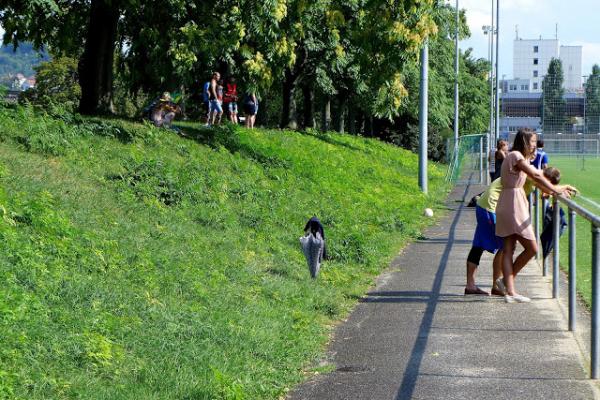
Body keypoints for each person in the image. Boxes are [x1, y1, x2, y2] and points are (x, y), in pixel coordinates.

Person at [495, 129, 574, 303]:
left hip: (510, 201)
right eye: (532, 141)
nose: (534, 145)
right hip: (512, 203)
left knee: (509, 248)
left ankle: (509, 289)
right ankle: (509, 288)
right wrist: (557, 189)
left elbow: (537, 180)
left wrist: (554, 191)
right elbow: (536, 175)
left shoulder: (519, 157)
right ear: (524, 141)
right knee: (532, 248)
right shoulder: (515, 155)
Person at [465, 167, 570, 296]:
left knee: (479, 246)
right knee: (505, 246)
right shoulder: (533, 174)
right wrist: (561, 189)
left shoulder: (531, 176)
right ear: (546, 179)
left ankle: (472, 286)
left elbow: (541, 188)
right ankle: (496, 286)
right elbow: (541, 183)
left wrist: (551, 191)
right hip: (491, 206)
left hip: (486, 204)